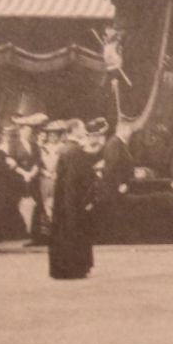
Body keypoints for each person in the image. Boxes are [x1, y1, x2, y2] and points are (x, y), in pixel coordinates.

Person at [48, 119, 103, 280]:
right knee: (76, 232)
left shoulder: (65, 149)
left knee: (64, 232)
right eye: (82, 128)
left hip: (64, 199)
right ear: (75, 130)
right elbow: (83, 178)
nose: (84, 131)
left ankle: (63, 268)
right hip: (75, 200)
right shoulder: (76, 151)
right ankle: (76, 267)